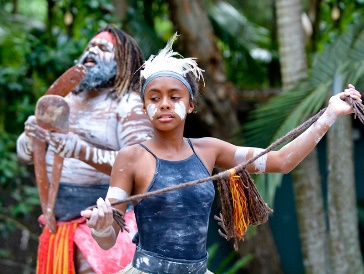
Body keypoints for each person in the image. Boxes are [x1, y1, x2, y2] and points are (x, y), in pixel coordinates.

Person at [80, 33, 361, 274]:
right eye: (154, 98)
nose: (164, 104)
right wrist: (102, 226)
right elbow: (106, 240)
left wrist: (330, 114)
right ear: (144, 107)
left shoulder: (209, 150)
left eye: (174, 97)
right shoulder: (130, 157)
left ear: (190, 105)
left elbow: (281, 161)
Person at [16, 26, 153, 274]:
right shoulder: (66, 99)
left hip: (106, 227)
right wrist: (29, 139)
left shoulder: (128, 103)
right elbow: (26, 155)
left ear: (123, 60)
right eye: (89, 46)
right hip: (57, 225)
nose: (91, 51)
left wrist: (81, 151)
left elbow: (143, 166)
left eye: (103, 48)